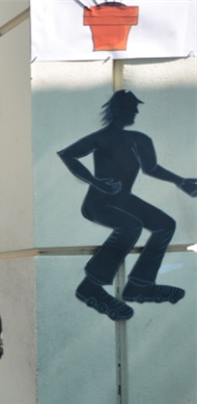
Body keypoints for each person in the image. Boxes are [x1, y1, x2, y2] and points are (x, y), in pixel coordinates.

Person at [58, 90, 197, 321]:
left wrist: (180, 181)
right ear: (116, 112)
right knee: (130, 226)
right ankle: (90, 286)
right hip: (98, 202)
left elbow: (151, 168)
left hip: (124, 199)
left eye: (135, 109)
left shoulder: (139, 139)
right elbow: (67, 154)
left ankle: (140, 284)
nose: (134, 113)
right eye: (129, 109)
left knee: (165, 224)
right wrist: (95, 181)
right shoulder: (101, 138)